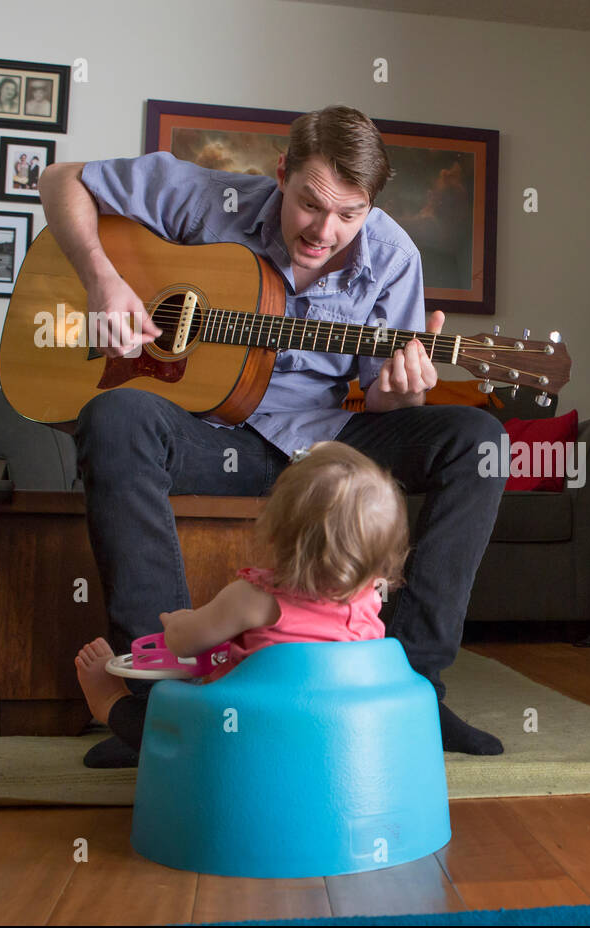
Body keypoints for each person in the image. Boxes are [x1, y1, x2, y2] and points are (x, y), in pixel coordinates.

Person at [38, 105, 507, 768]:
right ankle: (153, 701)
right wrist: (102, 279)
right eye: (310, 204)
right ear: (280, 173)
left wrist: (397, 393)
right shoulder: (208, 198)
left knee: (478, 438)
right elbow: (61, 179)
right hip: (206, 433)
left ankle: (412, 684)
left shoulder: (393, 256)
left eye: (351, 214)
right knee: (114, 415)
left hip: (327, 448)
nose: (326, 231)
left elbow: (380, 393)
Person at [74, 442, 408, 740]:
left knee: (170, 723)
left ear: (276, 533)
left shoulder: (253, 599)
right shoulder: (368, 599)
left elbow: (182, 642)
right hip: (336, 736)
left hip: (246, 736)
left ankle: (111, 703)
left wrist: (179, 621)